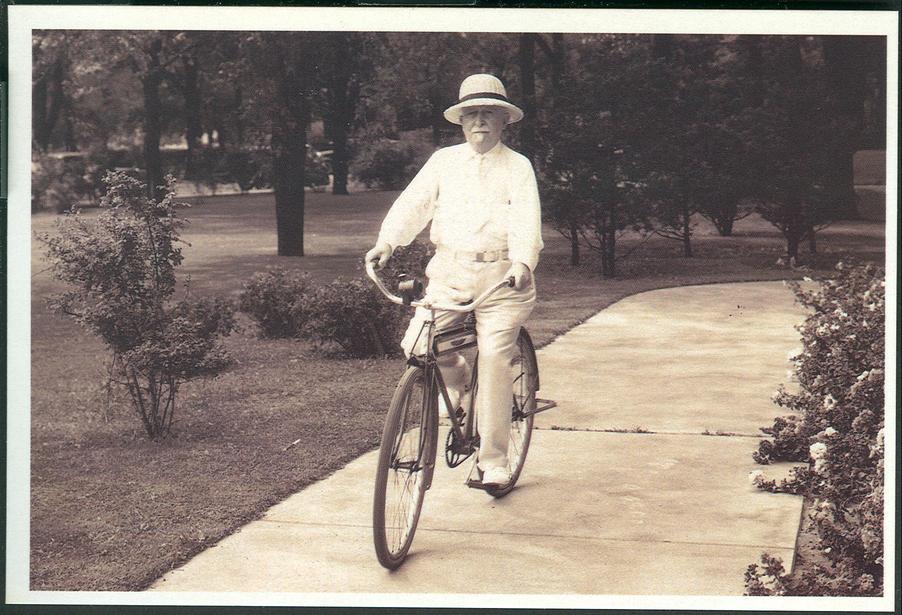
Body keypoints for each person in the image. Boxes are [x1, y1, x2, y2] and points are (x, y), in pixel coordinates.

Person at [365, 73, 543, 487]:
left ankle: (493, 462)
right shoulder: (443, 162)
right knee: (416, 344)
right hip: (450, 274)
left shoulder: (518, 167)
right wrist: (387, 242)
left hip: (503, 281)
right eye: (471, 114)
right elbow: (414, 204)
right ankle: (460, 384)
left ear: (503, 121)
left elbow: (526, 220)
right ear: (461, 122)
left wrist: (522, 262)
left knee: (497, 359)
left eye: (488, 114)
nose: (479, 122)